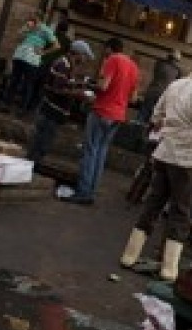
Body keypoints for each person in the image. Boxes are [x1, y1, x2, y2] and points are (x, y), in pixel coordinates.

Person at [119, 55, 192, 282]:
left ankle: (129, 256)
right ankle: (169, 269)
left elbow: (156, 116)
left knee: (154, 203)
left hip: (165, 152)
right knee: (181, 211)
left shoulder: (175, 85)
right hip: (189, 158)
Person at [63, 37, 139, 205]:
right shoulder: (134, 66)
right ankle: (91, 191)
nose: (104, 54)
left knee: (90, 150)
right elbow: (133, 98)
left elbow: (104, 86)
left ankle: (83, 192)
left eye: (105, 50)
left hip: (102, 111)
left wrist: (90, 86)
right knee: (101, 152)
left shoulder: (112, 59)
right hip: (118, 115)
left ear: (109, 48)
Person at [27, 41, 95, 164]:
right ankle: (30, 166)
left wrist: (81, 86)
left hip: (55, 112)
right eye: (84, 56)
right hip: (51, 111)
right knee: (41, 143)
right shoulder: (62, 64)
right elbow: (59, 89)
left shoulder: (68, 66)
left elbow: (67, 84)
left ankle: (31, 165)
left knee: (43, 142)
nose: (85, 59)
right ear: (78, 53)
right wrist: (79, 94)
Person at [5, 11, 59, 110]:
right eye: (30, 18)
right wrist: (25, 30)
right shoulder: (27, 27)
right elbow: (17, 39)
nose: (30, 19)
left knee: (27, 84)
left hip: (32, 59)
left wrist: (43, 52)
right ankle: (7, 104)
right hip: (20, 56)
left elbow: (56, 45)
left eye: (33, 18)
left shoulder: (46, 30)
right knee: (14, 80)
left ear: (39, 18)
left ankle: (22, 108)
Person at [140, 49, 182, 125]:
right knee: (153, 119)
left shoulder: (160, 63)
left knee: (143, 115)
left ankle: (134, 132)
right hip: (162, 97)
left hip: (153, 93)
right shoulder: (177, 70)